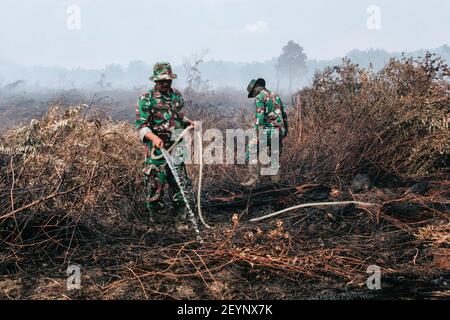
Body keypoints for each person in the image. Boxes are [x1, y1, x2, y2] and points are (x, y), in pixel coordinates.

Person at [135, 62, 195, 230]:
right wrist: (153, 138)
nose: (165, 84)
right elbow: (141, 125)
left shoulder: (176, 96)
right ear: (155, 80)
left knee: (180, 185)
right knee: (156, 189)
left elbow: (178, 116)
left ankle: (181, 221)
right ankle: (158, 224)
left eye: (168, 80)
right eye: (161, 81)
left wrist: (187, 121)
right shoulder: (146, 99)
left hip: (176, 149)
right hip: (157, 152)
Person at [241, 78, 288, 187]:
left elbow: (260, 118)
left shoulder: (260, 97)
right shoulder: (276, 96)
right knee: (274, 157)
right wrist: (285, 131)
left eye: (253, 92)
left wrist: (258, 133)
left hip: (267, 130)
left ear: (256, 88)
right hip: (279, 131)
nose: (254, 95)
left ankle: (254, 180)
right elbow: (284, 115)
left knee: (251, 152)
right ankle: (276, 184)